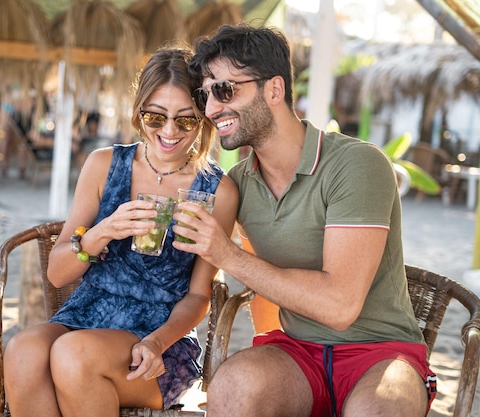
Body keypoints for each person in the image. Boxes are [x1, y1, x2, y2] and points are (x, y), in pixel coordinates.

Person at [172, 23, 437, 417]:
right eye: (205, 94)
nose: (211, 109)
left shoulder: (356, 165)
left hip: (380, 351)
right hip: (296, 351)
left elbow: (340, 307)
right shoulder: (236, 186)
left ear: (274, 90)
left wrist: (226, 254)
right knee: (232, 386)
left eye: (225, 90)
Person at [3, 45, 239, 416]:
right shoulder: (103, 166)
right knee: (22, 351)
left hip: (160, 338)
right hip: (87, 315)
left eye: (186, 120)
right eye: (155, 117)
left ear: (204, 118)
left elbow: (198, 296)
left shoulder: (216, 191)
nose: (170, 131)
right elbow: (58, 271)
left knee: (71, 354)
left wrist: (157, 342)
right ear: (138, 112)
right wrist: (102, 231)